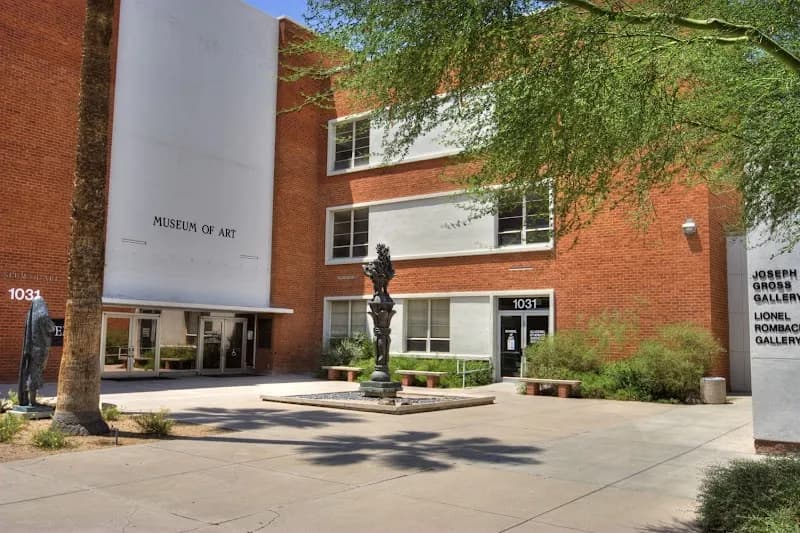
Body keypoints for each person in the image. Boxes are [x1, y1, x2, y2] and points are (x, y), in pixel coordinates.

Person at [17, 296, 55, 406]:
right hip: (40, 350)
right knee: (36, 374)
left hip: (30, 349)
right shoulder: (43, 315)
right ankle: (33, 401)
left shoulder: (30, 315)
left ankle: (28, 399)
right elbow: (50, 328)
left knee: (30, 372)